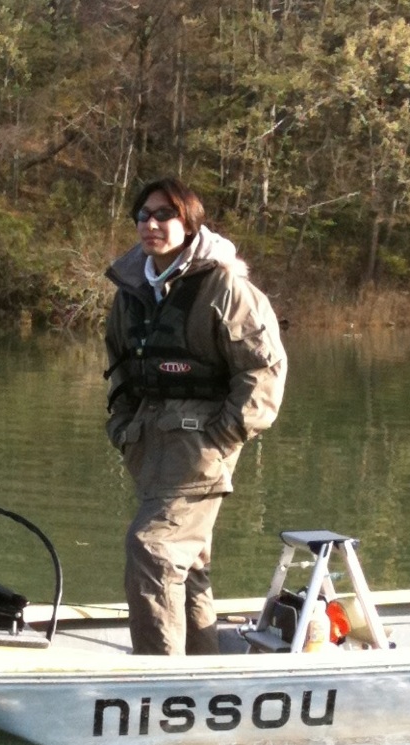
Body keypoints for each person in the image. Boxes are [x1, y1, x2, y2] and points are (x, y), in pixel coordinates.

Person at [103, 176, 287, 656]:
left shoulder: (226, 286)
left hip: (202, 448)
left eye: (164, 214)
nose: (151, 224)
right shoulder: (131, 289)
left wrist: (224, 436)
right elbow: (119, 368)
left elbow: (264, 370)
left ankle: (160, 678)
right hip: (147, 446)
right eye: (143, 215)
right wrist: (123, 428)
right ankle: (204, 668)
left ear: (189, 222)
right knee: (188, 566)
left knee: (152, 549)